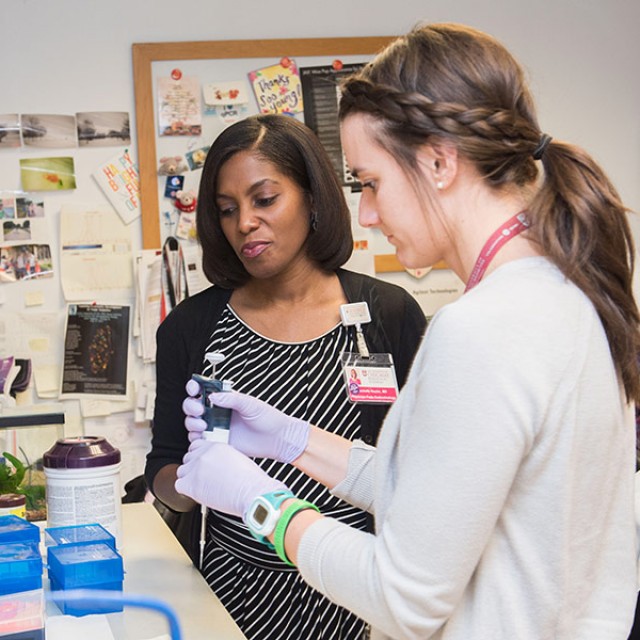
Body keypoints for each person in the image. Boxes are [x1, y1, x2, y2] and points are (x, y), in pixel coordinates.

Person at [175, 23, 640, 640]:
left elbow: (404, 598)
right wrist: (292, 441)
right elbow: (432, 497)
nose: (366, 212)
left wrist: (259, 501)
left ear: (440, 162)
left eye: (371, 182)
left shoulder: (483, 329)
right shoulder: (561, 294)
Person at [145, 114, 427, 639]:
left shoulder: (386, 312)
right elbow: (165, 465)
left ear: (313, 199)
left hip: (358, 587)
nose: (244, 223)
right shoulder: (193, 327)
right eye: (227, 210)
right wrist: (196, 481)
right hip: (235, 594)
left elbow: (417, 474)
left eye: (265, 199)